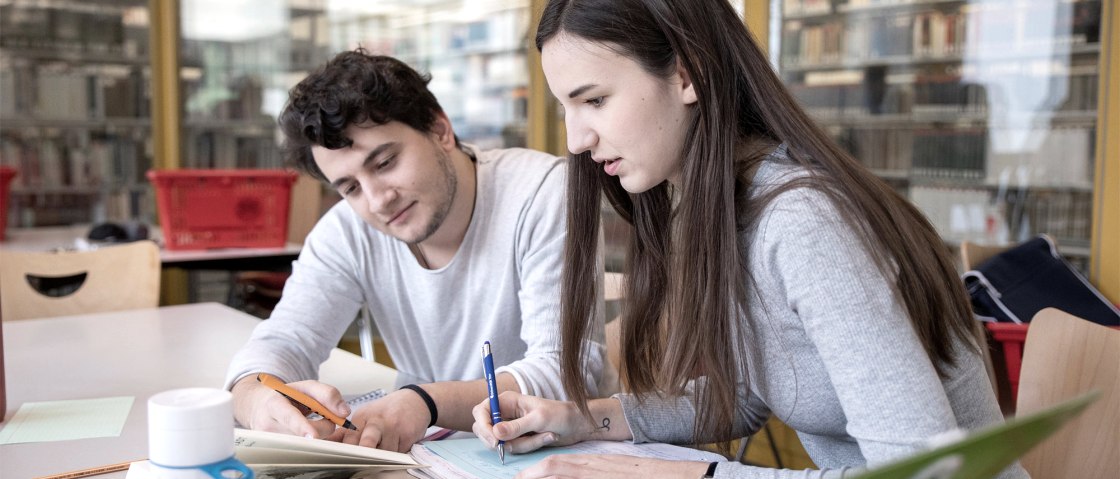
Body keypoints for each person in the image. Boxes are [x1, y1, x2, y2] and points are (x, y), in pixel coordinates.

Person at [470, 1, 1028, 478]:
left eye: (594, 100)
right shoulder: (724, 206)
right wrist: (584, 419)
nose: (574, 139)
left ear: (686, 76)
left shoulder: (804, 222)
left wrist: (694, 474)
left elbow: (924, 471)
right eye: (565, 107)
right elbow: (755, 390)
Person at [225, 48, 608, 453]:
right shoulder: (348, 230)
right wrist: (257, 400)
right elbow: (284, 341)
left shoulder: (542, 193)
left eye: (385, 162)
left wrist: (425, 402)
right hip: (427, 454)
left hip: (545, 454)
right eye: (350, 187)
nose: (377, 200)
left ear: (440, 130)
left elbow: (567, 374)